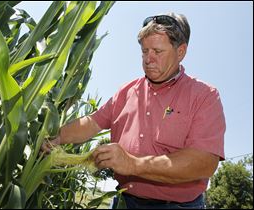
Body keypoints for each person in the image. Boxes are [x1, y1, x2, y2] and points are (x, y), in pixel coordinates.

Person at [41, 12, 226, 209]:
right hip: (124, 201)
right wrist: (56, 137)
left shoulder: (204, 95)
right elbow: (92, 122)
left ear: (180, 52)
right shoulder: (126, 92)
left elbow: (204, 162)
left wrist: (132, 164)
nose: (148, 59)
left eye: (157, 51)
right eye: (145, 51)